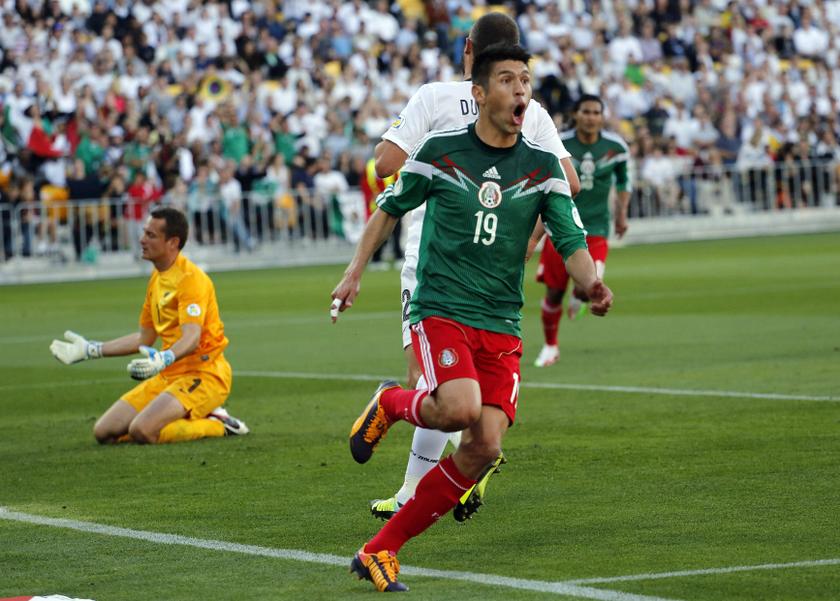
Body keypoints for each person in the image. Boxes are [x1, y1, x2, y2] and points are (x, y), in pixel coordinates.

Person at [331, 44, 613, 592]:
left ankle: (380, 549)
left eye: (526, 81)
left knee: (485, 448)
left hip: (501, 319)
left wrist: (591, 283)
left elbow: (569, 235)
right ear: (480, 94)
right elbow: (388, 208)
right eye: (507, 80)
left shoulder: (542, 167)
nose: (521, 91)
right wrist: (354, 272)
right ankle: (393, 401)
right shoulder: (439, 150)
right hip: (443, 305)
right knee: (458, 409)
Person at [366, 11, 581, 523]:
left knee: (430, 380)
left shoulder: (434, 97)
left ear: (468, 51)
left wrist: (447, 167)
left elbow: (384, 164)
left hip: (432, 257)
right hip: (498, 266)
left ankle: (412, 487)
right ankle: (464, 469)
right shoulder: (533, 114)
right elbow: (566, 185)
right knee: (471, 390)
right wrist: (525, 232)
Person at [49, 207, 249, 444]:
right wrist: (92, 349)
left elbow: (192, 337)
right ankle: (173, 417)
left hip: (204, 374)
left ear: (173, 242)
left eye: (151, 235)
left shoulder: (191, 280)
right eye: (144, 233)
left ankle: (218, 424)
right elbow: (144, 338)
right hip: (168, 374)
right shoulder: (157, 279)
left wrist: (163, 358)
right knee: (104, 432)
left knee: (142, 431)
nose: (142, 239)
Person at [534, 94, 631, 368]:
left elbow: (624, 181)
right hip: (560, 227)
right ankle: (550, 346)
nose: (591, 117)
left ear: (602, 116)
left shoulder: (616, 147)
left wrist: (622, 214)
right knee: (554, 293)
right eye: (586, 112)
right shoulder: (558, 143)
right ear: (576, 114)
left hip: (596, 229)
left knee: (589, 287)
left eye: (596, 112)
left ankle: (579, 296)